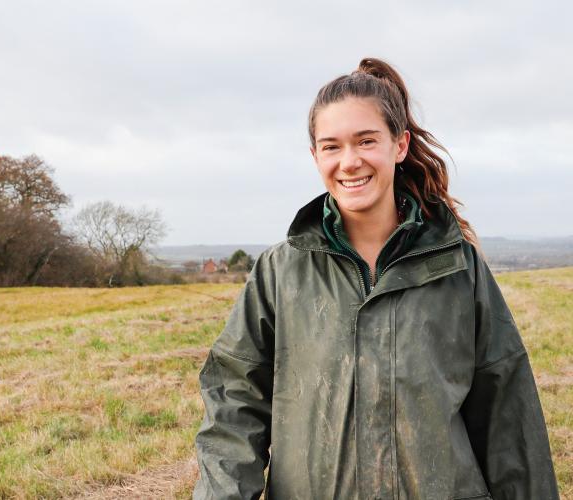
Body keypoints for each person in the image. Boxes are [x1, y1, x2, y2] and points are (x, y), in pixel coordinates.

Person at [193, 58, 560, 499]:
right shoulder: (279, 272)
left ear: (399, 145)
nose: (349, 162)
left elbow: (509, 420)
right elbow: (235, 403)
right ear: (315, 156)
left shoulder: (460, 268)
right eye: (331, 146)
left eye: (366, 141)